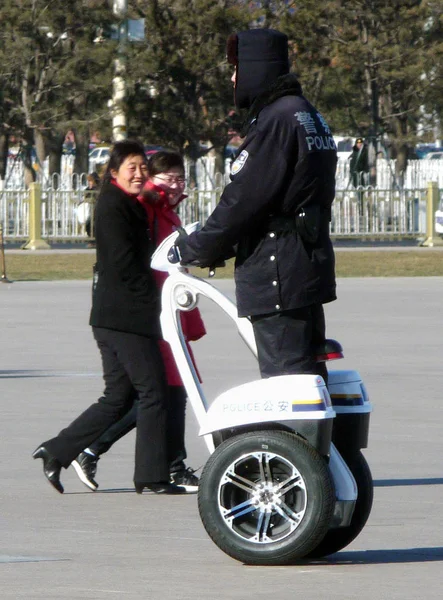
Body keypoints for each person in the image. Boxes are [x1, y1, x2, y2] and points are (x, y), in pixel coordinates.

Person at [177, 28, 337, 385]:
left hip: (277, 270)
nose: (233, 78)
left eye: (236, 68)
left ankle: (294, 442)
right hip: (305, 264)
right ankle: (323, 443)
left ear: (256, 68)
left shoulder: (275, 121)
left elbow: (244, 200)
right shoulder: (305, 113)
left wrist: (195, 247)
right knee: (310, 376)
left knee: (288, 383)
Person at [33, 140, 185, 495]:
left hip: (112, 315)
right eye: (130, 168)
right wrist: (157, 301)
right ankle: (152, 475)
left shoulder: (131, 203)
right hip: (126, 317)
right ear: (113, 173)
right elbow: (125, 266)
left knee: (118, 396)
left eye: (142, 167)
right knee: (154, 393)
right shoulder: (113, 207)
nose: (139, 174)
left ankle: (56, 451)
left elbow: (153, 208)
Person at [71, 151, 205, 493]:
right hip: (153, 313)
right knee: (161, 393)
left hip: (170, 310)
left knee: (167, 392)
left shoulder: (166, 210)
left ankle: (100, 450)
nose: (174, 184)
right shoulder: (144, 209)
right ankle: (99, 449)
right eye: (167, 178)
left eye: (180, 178)